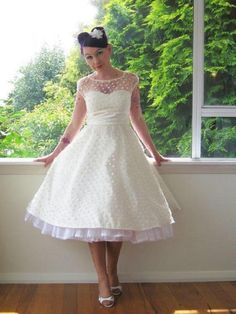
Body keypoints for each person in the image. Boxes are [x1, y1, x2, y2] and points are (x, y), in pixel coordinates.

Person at [24, 26, 180, 308]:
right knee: (93, 220)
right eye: (88, 58)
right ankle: (102, 280)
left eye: (98, 54)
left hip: (122, 151)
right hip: (90, 152)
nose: (95, 62)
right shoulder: (84, 84)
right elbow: (75, 123)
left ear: (109, 50)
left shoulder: (131, 80)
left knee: (116, 216)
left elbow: (137, 118)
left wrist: (155, 153)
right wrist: (53, 154)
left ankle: (112, 271)